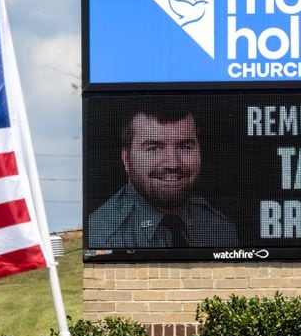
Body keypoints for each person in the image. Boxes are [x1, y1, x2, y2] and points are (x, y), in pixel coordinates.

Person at [88, 103, 238, 248]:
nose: (173, 164)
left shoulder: (219, 228)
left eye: (185, 147)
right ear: (126, 159)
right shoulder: (101, 238)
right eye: (154, 149)